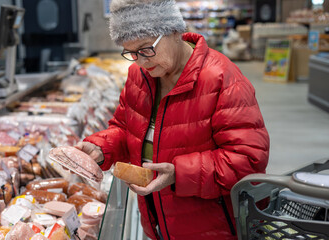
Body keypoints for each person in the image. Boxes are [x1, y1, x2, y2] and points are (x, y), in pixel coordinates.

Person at [75, 0, 270, 239]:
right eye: (132, 53)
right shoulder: (139, 75)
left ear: (174, 31)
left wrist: (180, 173)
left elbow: (248, 160)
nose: (142, 62)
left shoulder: (222, 78)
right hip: (157, 222)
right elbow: (125, 128)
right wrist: (101, 148)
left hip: (212, 227)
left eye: (147, 49)